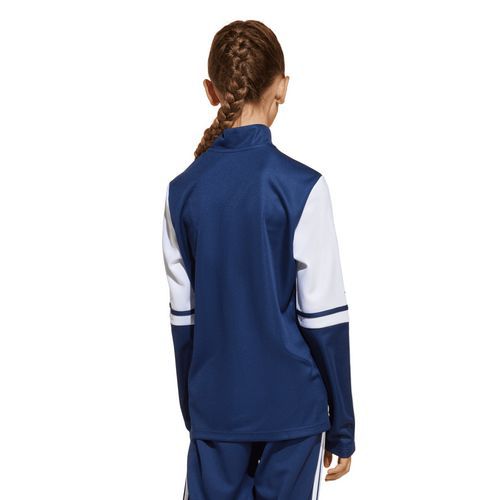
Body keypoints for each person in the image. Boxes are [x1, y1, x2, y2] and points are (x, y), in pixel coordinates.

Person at [162, 19, 355, 500]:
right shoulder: (303, 188)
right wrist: (343, 427)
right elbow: (325, 321)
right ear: (282, 86)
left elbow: (184, 324)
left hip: (217, 411)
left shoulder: (180, 194)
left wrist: (199, 412)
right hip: (293, 413)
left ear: (211, 91)